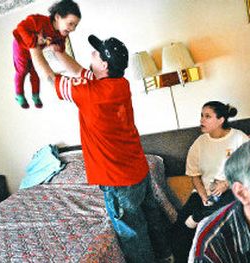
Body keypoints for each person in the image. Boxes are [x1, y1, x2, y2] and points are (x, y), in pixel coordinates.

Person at [39, 34, 174, 263]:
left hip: (118, 180)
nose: (91, 53)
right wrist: (58, 51)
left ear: (104, 65)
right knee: (152, 218)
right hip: (138, 170)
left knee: (132, 233)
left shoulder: (92, 95)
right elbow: (81, 71)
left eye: (96, 53)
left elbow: (52, 80)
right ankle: (167, 256)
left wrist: (34, 51)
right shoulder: (119, 84)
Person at [171, 101, 249, 262]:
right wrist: (203, 196)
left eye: (207, 116)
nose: (202, 120)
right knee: (179, 228)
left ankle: (200, 216)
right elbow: (194, 175)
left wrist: (227, 183)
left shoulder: (238, 138)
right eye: (201, 115)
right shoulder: (200, 143)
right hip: (204, 191)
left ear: (221, 120)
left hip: (233, 188)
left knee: (225, 213)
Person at [12, 0, 81, 109]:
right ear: (57, 17)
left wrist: (56, 47)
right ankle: (19, 94)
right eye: (70, 23)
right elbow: (20, 27)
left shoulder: (61, 34)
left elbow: (61, 45)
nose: (72, 29)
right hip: (21, 47)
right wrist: (32, 41)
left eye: (75, 26)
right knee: (22, 70)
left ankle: (35, 95)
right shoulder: (39, 20)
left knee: (35, 72)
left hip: (34, 51)